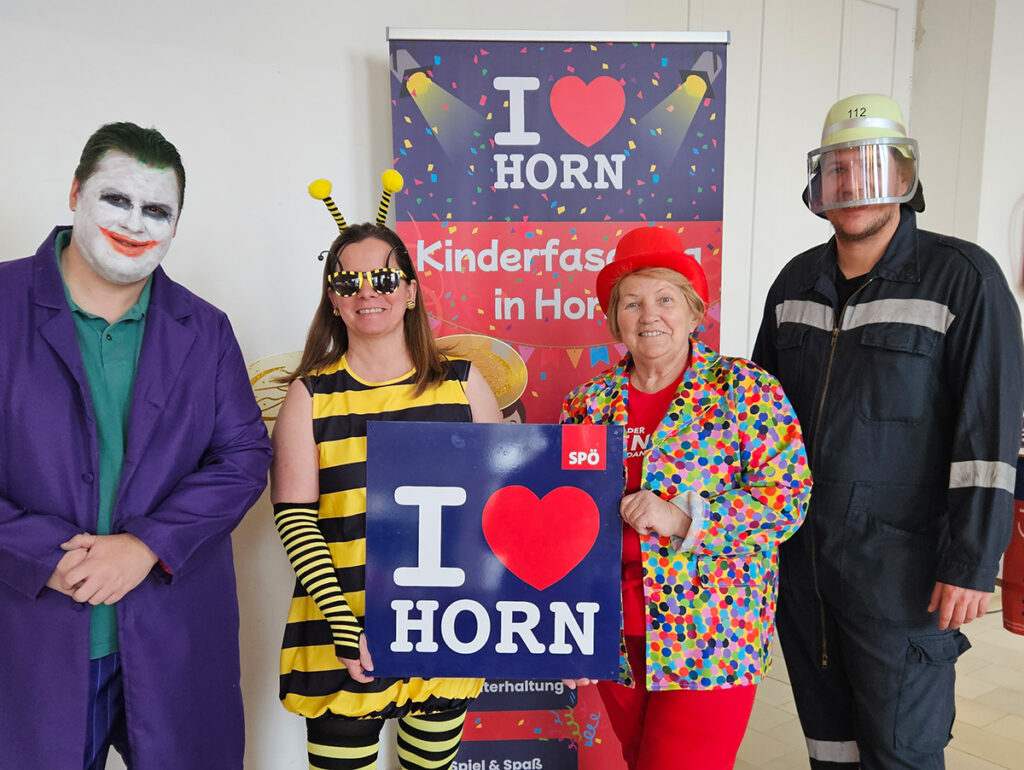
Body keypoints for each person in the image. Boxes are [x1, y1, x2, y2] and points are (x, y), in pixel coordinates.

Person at [752, 93, 1024, 769]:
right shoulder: (794, 283)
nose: (853, 184)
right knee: (829, 745)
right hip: (802, 568)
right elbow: (754, 424)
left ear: (905, 176)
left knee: (901, 751)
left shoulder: (964, 279)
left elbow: (989, 437)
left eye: (870, 166)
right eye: (837, 169)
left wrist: (973, 561)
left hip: (903, 572)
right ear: (818, 185)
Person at [0, 122, 272, 769]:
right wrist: (41, 554)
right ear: (75, 193)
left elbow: (244, 456)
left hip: (173, 640)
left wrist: (146, 546)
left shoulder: (206, 329)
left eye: (157, 210)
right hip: (27, 641)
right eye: (117, 199)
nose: (134, 223)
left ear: (176, 225)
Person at [560, 225, 811, 770]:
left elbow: (787, 499)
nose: (649, 315)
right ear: (615, 320)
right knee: (639, 760)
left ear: (695, 313)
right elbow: (565, 523)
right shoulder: (587, 404)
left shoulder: (746, 390)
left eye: (665, 299)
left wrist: (683, 518)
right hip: (612, 631)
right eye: (632, 303)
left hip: (711, 631)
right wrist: (567, 628)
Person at [271, 221, 502, 770]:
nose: (366, 292)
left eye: (383, 278)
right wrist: (343, 624)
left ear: (410, 290)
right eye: (347, 282)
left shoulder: (464, 385)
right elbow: (296, 519)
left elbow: (500, 509)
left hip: (445, 627)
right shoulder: (310, 395)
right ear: (333, 299)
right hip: (340, 630)